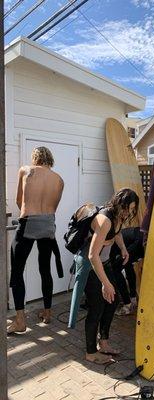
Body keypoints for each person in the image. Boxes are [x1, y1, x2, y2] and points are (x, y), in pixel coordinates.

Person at [70, 188, 139, 364]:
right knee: (97, 307)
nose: (128, 213)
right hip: (90, 265)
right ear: (118, 203)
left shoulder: (117, 218)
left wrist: (123, 248)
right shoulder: (104, 220)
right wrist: (105, 283)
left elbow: (116, 234)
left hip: (103, 262)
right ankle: (91, 352)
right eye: (126, 208)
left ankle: (104, 342)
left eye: (131, 210)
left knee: (113, 300)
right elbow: (93, 255)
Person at [7, 146, 64, 334]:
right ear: (50, 159)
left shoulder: (25, 170)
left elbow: (18, 200)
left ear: (35, 158)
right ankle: (47, 313)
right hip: (48, 224)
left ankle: (20, 321)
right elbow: (53, 207)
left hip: (28, 223)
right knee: (45, 269)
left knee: (17, 272)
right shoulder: (59, 180)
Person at [110, 227, 144, 315]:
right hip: (142, 236)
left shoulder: (107, 245)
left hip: (137, 241)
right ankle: (133, 300)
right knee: (128, 266)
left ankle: (127, 305)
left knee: (115, 270)